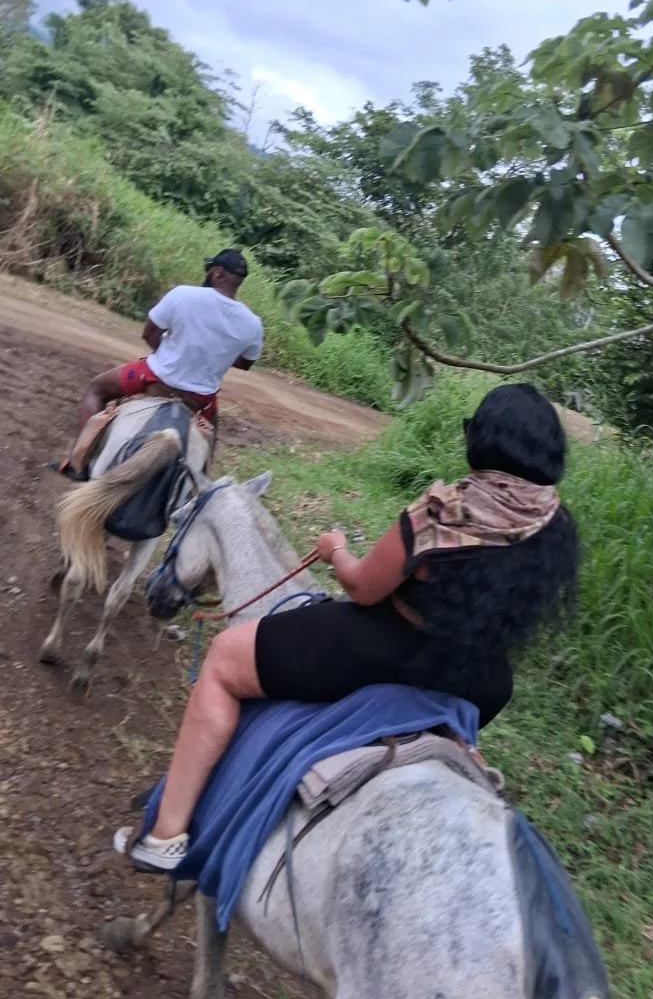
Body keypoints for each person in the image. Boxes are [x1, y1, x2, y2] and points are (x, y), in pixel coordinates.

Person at [117, 382, 579, 871]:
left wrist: (335, 548)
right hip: (480, 679)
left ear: (483, 442)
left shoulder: (445, 511)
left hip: (391, 647)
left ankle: (165, 836)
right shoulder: (554, 522)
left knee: (226, 658)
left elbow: (363, 588)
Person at [59, 249, 263, 473]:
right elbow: (245, 364)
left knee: (96, 390)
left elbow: (149, 333)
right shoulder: (252, 323)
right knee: (210, 439)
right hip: (201, 399)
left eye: (209, 270)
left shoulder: (184, 295)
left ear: (217, 272)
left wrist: (170, 352)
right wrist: (214, 355)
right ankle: (199, 488)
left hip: (154, 377)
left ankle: (79, 462)